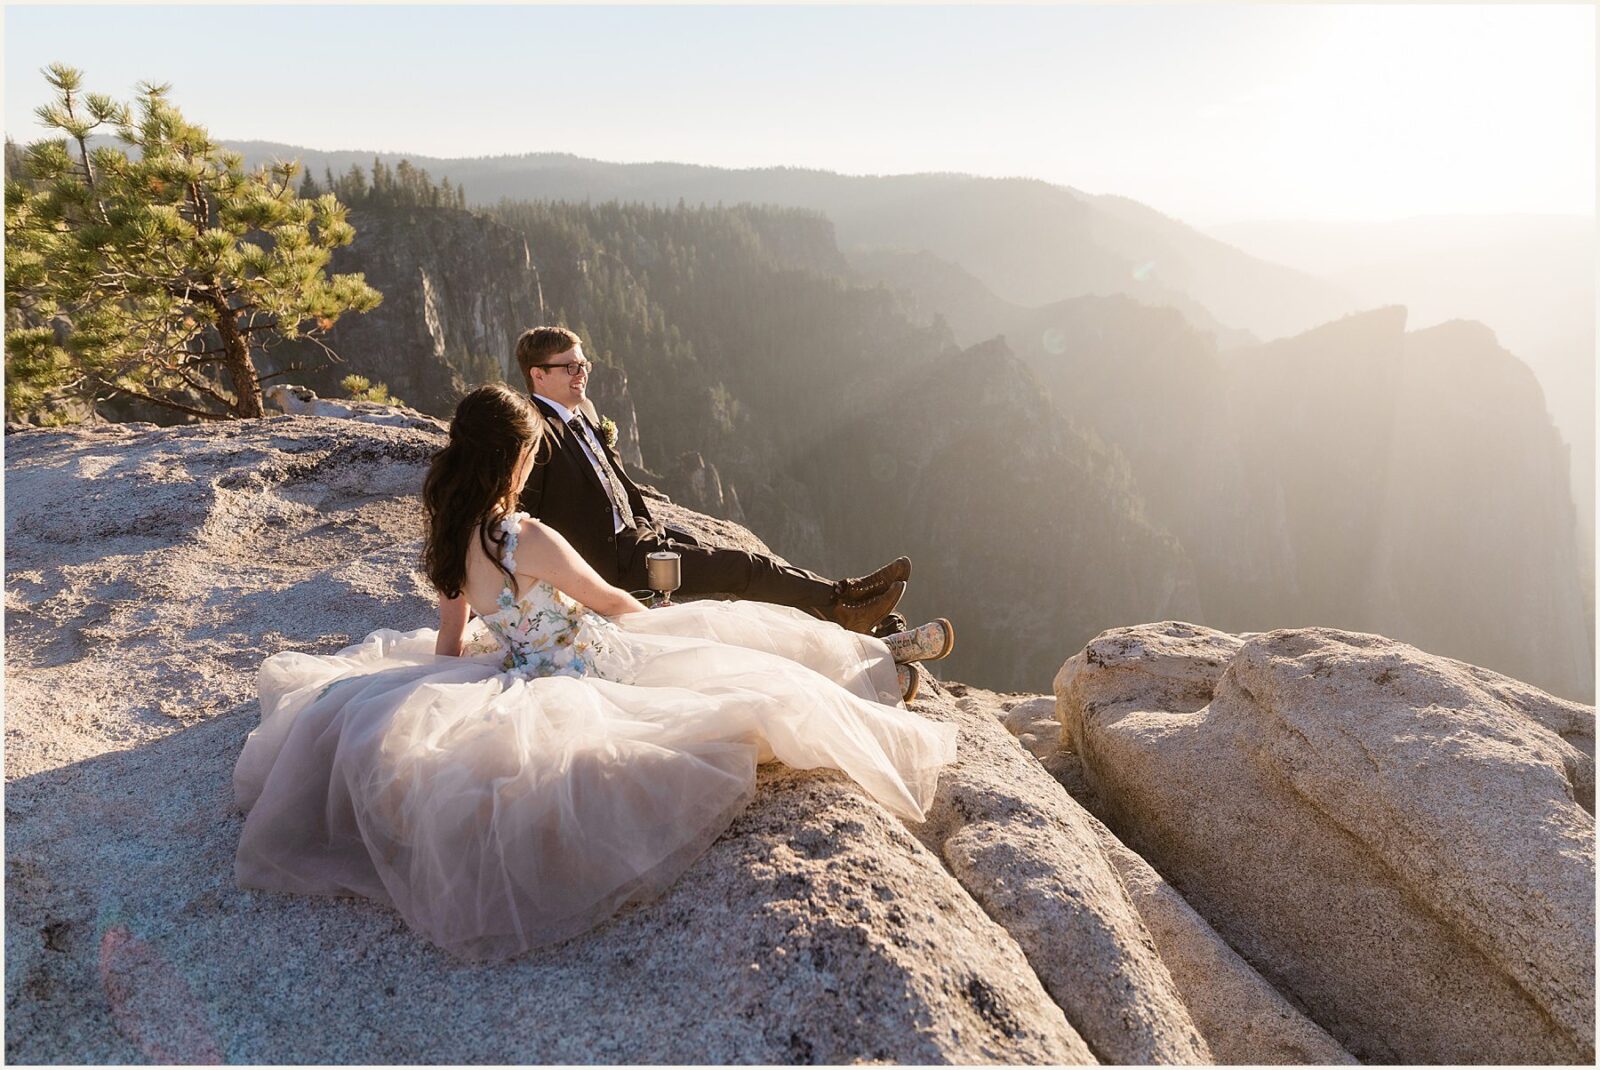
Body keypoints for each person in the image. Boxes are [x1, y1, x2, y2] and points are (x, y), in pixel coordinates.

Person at [233, 384, 958, 961]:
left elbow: (449, 644)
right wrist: (675, 622)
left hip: (524, 670)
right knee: (738, 665)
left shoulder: (454, 538)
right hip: (595, 664)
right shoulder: (523, 535)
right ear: (515, 460)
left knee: (734, 662)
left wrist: (438, 691)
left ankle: (886, 660)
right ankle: (882, 666)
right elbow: (609, 602)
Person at [506, 325, 910, 632]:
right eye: (570, 367)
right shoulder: (534, 430)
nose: (582, 374)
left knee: (735, 560)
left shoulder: (585, 413)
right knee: (742, 568)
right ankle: (843, 607)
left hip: (641, 538)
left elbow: (618, 484)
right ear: (538, 375)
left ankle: (846, 597)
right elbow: (522, 517)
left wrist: (648, 525)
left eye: (583, 364)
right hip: (611, 565)